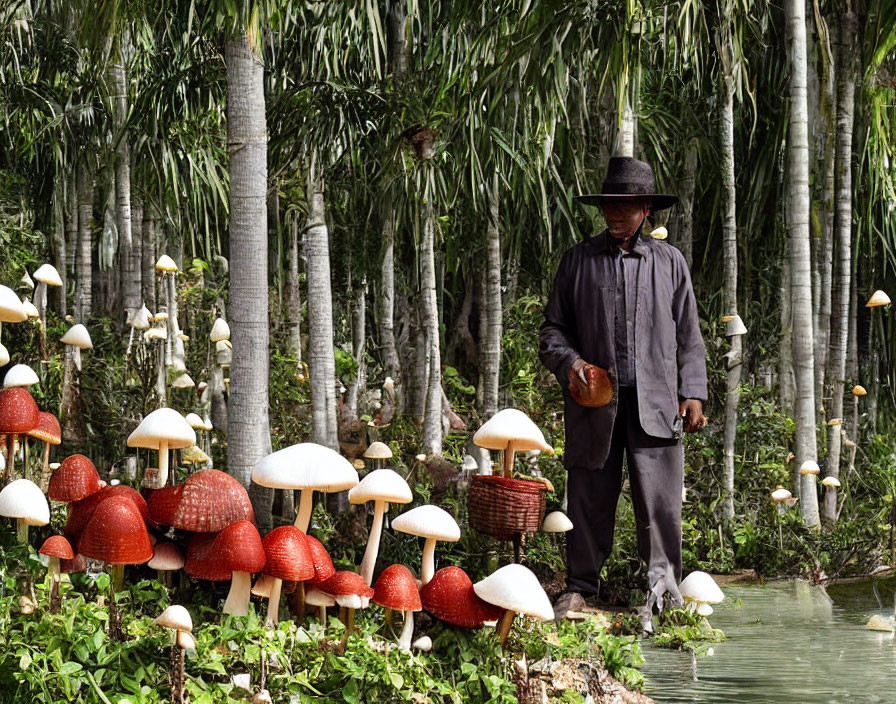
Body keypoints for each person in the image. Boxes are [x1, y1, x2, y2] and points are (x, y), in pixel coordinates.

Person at [539, 156, 708, 630]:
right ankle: (580, 589)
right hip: (596, 404)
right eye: (610, 205)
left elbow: (688, 335)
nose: (617, 214)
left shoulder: (669, 262)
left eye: (627, 206)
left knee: (660, 503)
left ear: (646, 208)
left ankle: (664, 592)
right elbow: (552, 331)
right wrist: (572, 364)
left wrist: (693, 390)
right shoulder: (578, 261)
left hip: (656, 405)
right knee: (589, 496)